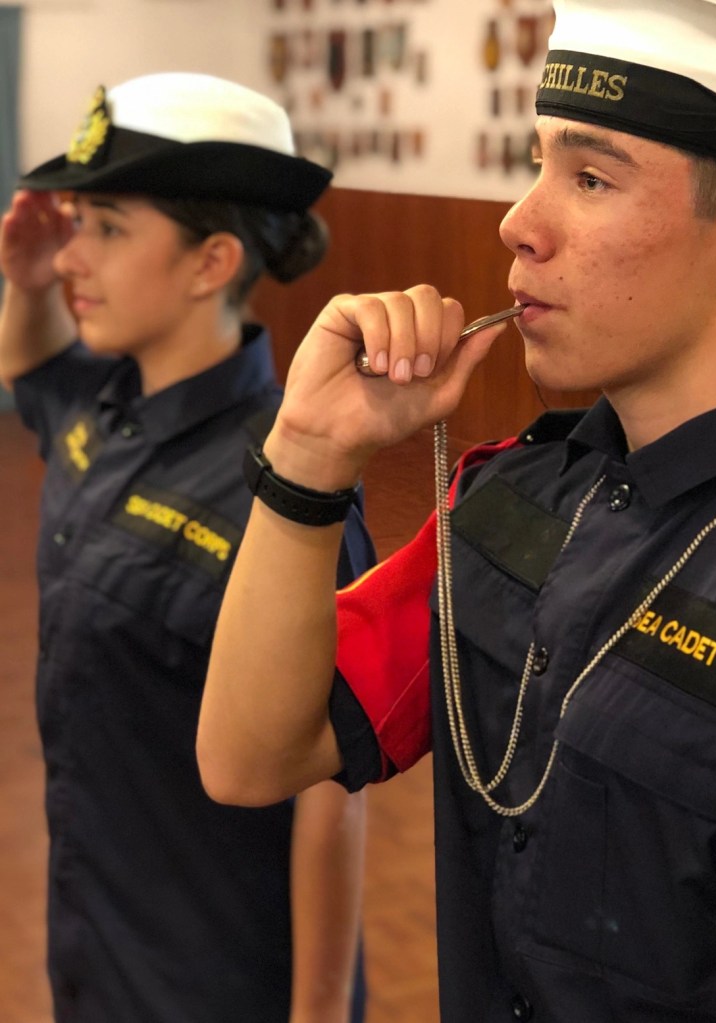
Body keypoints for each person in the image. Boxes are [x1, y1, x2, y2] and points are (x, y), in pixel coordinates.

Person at [197, 1, 716, 1019]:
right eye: (535, 165)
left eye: (589, 176)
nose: (517, 223)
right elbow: (251, 754)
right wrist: (309, 455)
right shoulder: (507, 502)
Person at [0, 72, 375, 1023]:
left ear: (212, 262)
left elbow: (333, 790)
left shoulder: (286, 484)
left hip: (215, 971)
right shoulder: (102, 404)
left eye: (109, 228)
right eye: (78, 219)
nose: (75, 254)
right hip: (96, 930)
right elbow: (32, 365)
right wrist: (27, 278)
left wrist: (322, 1012)